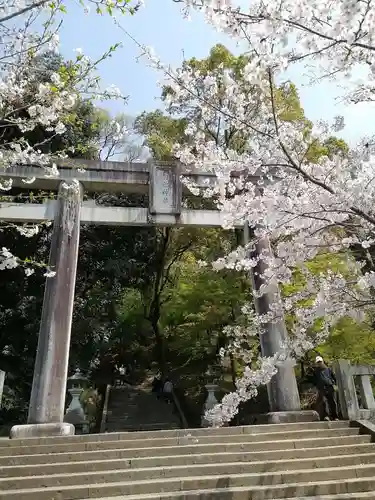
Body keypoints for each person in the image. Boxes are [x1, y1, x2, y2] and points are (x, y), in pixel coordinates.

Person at [310, 355, 339, 421]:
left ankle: (335, 416)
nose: (319, 363)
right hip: (321, 388)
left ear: (323, 361)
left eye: (320, 361)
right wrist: (317, 386)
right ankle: (326, 416)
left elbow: (334, 377)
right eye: (318, 362)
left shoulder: (328, 369)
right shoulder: (316, 371)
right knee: (324, 402)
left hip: (330, 387)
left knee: (332, 402)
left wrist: (335, 385)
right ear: (316, 363)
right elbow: (314, 380)